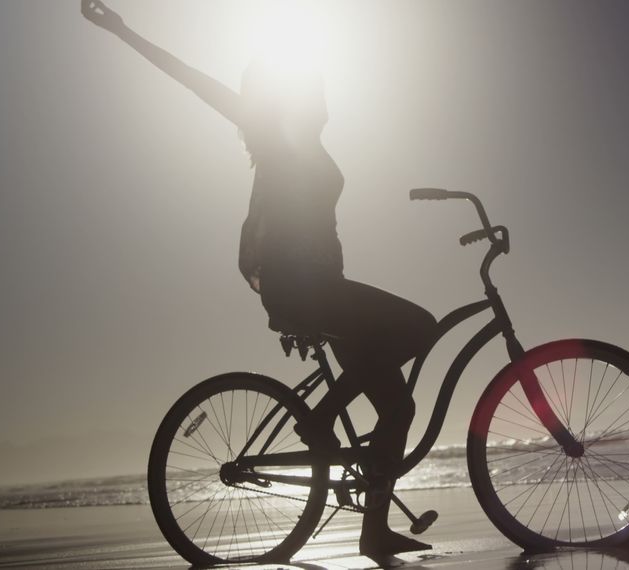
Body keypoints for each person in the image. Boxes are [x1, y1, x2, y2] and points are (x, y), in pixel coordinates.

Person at [81, 0, 437, 557]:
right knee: (422, 326)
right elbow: (193, 80)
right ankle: (319, 420)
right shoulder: (270, 133)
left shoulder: (313, 145)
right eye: (310, 88)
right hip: (305, 288)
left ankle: (373, 531)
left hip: (324, 292)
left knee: (398, 407)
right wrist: (123, 31)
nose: (321, 95)